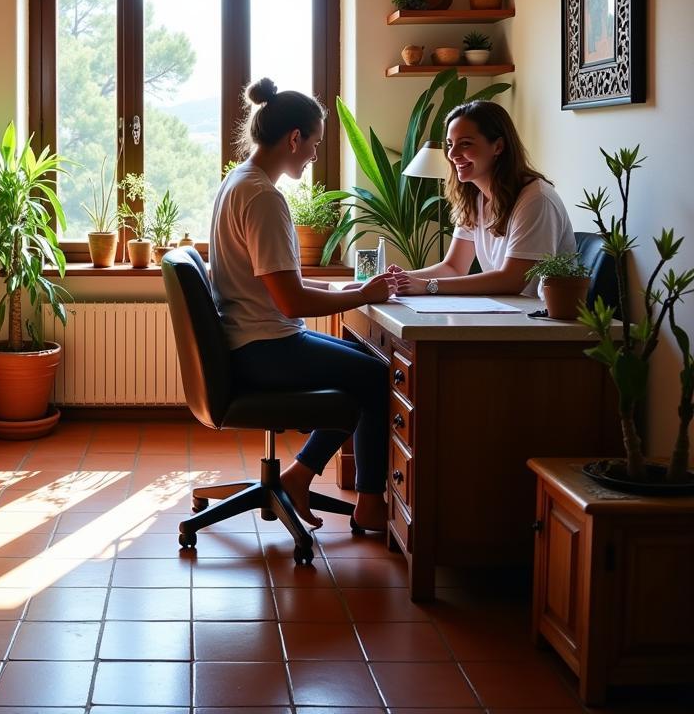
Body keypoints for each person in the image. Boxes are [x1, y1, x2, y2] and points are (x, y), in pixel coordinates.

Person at [209, 78, 401, 531]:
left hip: (252, 340)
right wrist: (360, 294)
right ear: (294, 138)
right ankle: (370, 503)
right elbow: (291, 300)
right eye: (314, 143)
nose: (315, 154)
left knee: (366, 362)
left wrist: (349, 290)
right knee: (375, 377)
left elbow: (280, 283)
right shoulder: (262, 197)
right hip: (263, 349)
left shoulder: (239, 182)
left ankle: (299, 475)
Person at [389, 100, 575, 296]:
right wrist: (399, 280)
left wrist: (428, 286)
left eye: (465, 144)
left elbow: (512, 281)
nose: (452, 154)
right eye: (451, 144)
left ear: (498, 146)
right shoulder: (473, 198)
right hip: (504, 313)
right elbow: (454, 267)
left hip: (538, 321)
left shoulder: (536, 199)